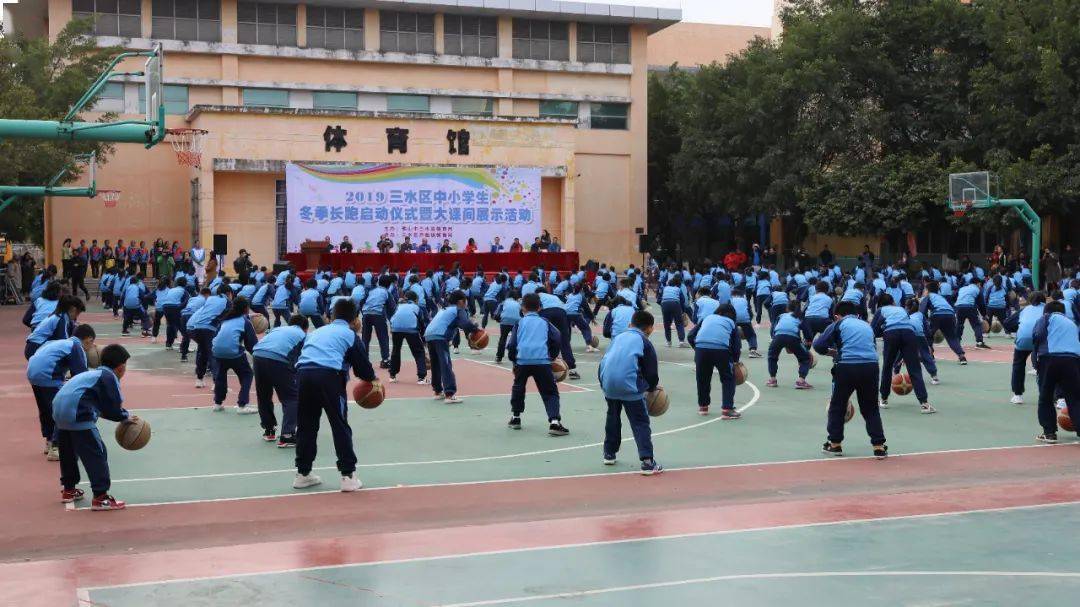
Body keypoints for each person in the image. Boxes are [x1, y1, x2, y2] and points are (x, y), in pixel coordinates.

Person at [292, 298, 378, 492]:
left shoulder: (316, 332)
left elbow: (301, 355)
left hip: (304, 375)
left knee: (306, 426)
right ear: (355, 318)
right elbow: (363, 370)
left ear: (332, 315)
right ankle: (348, 476)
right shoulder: (349, 335)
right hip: (328, 378)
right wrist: (374, 381)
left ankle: (302, 474)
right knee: (339, 425)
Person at [52, 343, 133, 510]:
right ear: (121, 367)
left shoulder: (91, 374)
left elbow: (97, 405)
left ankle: (68, 489)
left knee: (68, 453)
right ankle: (101, 497)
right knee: (97, 453)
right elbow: (112, 409)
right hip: (77, 413)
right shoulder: (109, 377)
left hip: (58, 412)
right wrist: (125, 417)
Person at [813, 301, 888, 458]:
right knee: (871, 408)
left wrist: (833, 353)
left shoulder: (839, 324)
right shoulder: (866, 326)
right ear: (857, 314)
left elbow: (819, 345)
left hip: (847, 366)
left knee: (837, 405)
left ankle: (835, 444)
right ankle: (879, 446)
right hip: (871, 366)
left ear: (836, 316)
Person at [598, 310, 663, 475]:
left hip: (608, 383)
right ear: (650, 329)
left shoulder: (618, 338)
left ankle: (609, 453)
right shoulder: (644, 342)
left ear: (630, 324)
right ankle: (648, 462)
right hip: (629, 386)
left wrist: (604, 384)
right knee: (640, 422)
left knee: (612, 417)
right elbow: (651, 372)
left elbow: (605, 361)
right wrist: (651, 388)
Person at [27, 324, 96, 461]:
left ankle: (49, 441)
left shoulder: (61, 342)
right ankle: (56, 447)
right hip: (48, 376)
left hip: (33, 374)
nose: (91, 346)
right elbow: (81, 377)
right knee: (62, 410)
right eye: (92, 343)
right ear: (88, 339)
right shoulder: (76, 347)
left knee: (46, 410)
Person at [506, 293, 568, 435]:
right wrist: (552, 355)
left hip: (522, 361)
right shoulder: (545, 322)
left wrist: (514, 361)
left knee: (518, 389)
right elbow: (557, 337)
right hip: (542, 361)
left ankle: (516, 417)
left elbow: (513, 344)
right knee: (550, 391)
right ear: (540, 308)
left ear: (522, 308)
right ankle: (554, 422)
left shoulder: (519, 323)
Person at [872, 293, 935, 413]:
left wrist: (883, 329)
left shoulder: (880, 310)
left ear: (880, 304)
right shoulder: (901, 309)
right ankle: (924, 404)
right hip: (909, 334)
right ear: (893, 302)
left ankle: (883, 399)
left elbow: (873, 330)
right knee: (915, 369)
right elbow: (908, 322)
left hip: (891, 334)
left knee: (887, 367)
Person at [253, 316, 308, 446]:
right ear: (305, 328)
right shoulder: (303, 335)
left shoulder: (277, 329)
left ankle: (269, 430)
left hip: (258, 356)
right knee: (291, 398)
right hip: (278, 359)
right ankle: (287, 435)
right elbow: (304, 359)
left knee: (264, 395)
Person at [1031, 301, 1079, 443]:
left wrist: (1036, 362)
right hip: (1073, 360)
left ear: (1046, 311)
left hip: (1050, 358)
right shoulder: (1072, 323)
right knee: (1075, 398)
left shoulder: (1046, 318)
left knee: (1045, 397)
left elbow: (1037, 335)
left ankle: (1049, 432)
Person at [424, 291, 480, 404]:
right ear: (461, 301)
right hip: (440, 337)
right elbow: (465, 324)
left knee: (436, 365)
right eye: (466, 301)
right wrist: (476, 329)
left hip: (429, 335)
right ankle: (449, 394)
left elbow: (457, 325)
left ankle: (437, 391)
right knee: (445, 364)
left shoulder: (445, 310)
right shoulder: (459, 310)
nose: (467, 303)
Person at [688, 304, 741, 418]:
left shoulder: (706, 318)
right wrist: (735, 361)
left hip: (701, 349)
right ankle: (727, 409)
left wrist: (697, 348)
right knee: (728, 378)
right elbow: (737, 345)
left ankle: (703, 407)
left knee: (702, 379)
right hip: (721, 351)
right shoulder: (731, 323)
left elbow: (691, 335)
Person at [210, 297, 258, 413]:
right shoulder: (244, 322)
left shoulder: (225, 320)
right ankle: (242, 404)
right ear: (246, 309)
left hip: (217, 351)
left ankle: (217, 403)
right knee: (247, 374)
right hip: (232, 352)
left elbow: (217, 335)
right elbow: (251, 344)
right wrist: (257, 356)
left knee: (221, 376)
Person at [187, 284, 232, 388]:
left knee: (203, 353)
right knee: (213, 355)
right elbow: (231, 316)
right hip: (209, 328)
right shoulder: (227, 302)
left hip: (196, 327)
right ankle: (217, 383)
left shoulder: (210, 299)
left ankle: (199, 379)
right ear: (229, 293)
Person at [766, 301, 813, 390]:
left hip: (777, 337)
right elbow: (807, 331)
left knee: (772, 357)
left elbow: (773, 329)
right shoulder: (800, 317)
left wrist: (773, 338)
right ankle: (801, 381)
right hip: (793, 338)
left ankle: (772, 379)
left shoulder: (781, 316)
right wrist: (808, 340)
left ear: (787, 308)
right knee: (806, 358)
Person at [388, 290, 428, 384]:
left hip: (396, 329)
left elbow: (393, 317)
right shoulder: (417, 308)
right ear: (415, 299)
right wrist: (424, 340)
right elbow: (422, 325)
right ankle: (421, 378)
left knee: (395, 351)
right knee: (418, 352)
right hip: (411, 329)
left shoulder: (399, 306)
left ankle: (392, 376)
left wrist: (392, 330)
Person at [362, 275, 396, 368]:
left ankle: (364, 361)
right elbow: (392, 309)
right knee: (383, 337)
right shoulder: (387, 293)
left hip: (366, 314)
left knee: (365, 338)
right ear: (389, 285)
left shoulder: (371, 291)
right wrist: (393, 323)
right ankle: (385, 360)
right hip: (378, 315)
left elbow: (363, 301)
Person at [493, 290, 522, 364]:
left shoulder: (503, 302)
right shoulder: (518, 303)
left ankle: (499, 357)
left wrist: (499, 320)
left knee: (503, 338)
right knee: (516, 339)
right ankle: (517, 355)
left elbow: (496, 314)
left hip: (504, 321)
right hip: (516, 321)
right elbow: (522, 313)